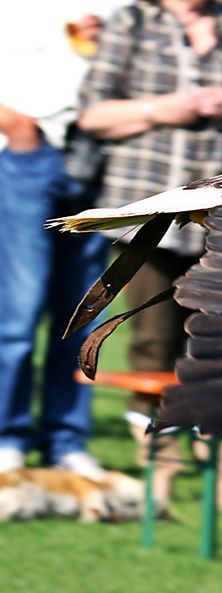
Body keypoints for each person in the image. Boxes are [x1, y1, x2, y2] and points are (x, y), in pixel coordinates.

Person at [76, 0, 222, 508]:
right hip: (148, 223)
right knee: (153, 350)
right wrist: (160, 110)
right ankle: (161, 489)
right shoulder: (132, 23)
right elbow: (93, 113)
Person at [0, 1, 126, 481]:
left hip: (98, 162)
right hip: (28, 160)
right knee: (19, 312)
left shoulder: (128, 8)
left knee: (82, 312)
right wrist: (17, 126)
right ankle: (7, 439)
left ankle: (65, 440)